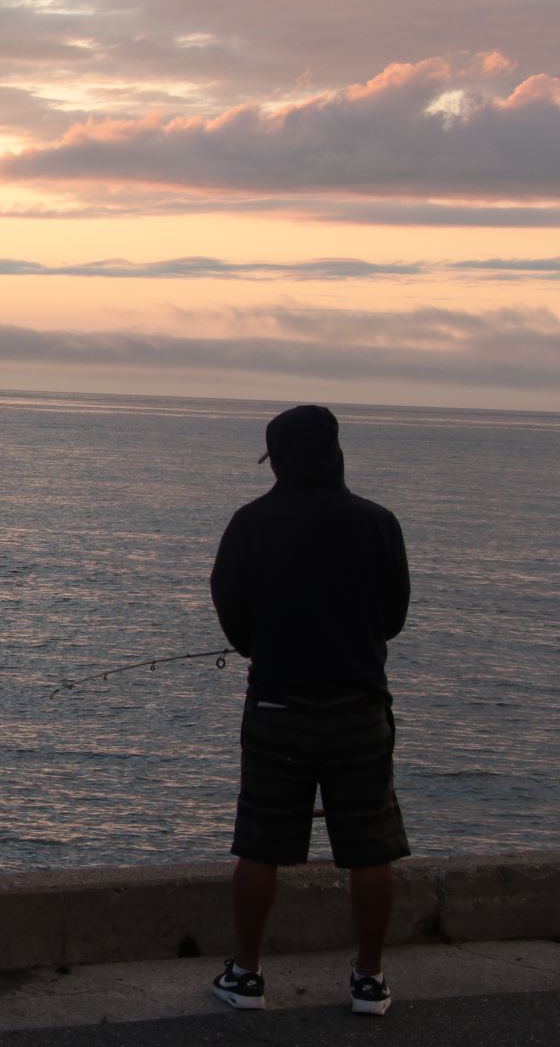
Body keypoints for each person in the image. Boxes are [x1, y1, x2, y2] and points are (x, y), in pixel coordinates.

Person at [207, 404, 410, 1017]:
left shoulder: (250, 523)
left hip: (276, 705)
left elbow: (231, 609)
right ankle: (369, 981)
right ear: (335, 453)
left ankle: (246, 975)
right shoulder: (378, 523)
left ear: (278, 460)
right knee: (371, 848)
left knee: (260, 845)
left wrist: (265, 647)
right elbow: (394, 616)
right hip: (359, 707)